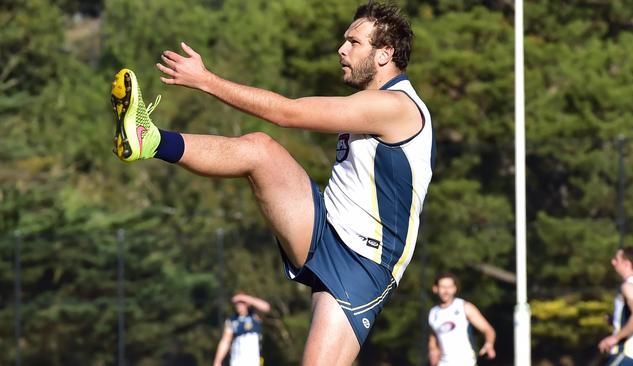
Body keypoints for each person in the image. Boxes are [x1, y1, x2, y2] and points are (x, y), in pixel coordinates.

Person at [110, 2, 435, 364]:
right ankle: (150, 139)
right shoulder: (370, 102)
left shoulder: (396, 106)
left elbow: (287, 112)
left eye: (354, 42)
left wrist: (207, 80)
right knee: (259, 150)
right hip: (324, 224)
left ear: (384, 54)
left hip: (363, 263)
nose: (342, 49)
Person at [428, 273, 496, 366]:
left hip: (465, 362)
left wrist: (489, 344)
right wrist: (433, 352)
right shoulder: (433, 313)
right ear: (435, 289)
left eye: (449, 287)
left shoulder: (463, 307)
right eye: (443, 287)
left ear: (455, 288)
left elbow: (488, 330)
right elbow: (433, 338)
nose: (446, 291)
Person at [598, 247, 633, 366]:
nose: (613, 262)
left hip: (627, 351)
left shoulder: (628, 286)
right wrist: (615, 321)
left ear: (627, 264)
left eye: (617, 259)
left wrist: (615, 338)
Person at [213, 293, 270, 366]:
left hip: (253, 360)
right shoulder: (232, 320)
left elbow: (266, 307)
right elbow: (225, 341)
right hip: (237, 360)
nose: (238, 305)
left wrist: (245, 298)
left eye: (241, 303)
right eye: (237, 303)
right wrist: (217, 361)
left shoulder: (254, 316)